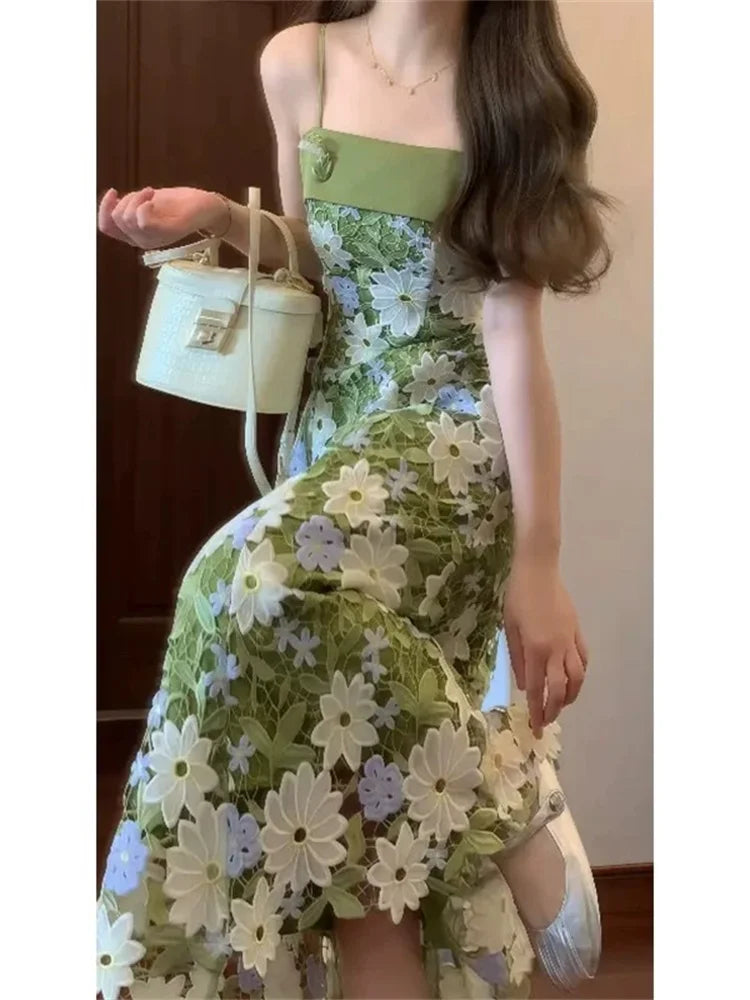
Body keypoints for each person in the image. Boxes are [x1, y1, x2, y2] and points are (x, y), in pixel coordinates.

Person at [96, 2, 612, 997]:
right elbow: (318, 258)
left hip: (451, 448)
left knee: (238, 578)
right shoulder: (298, 63)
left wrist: (538, 559)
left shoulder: (516, 93)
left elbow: (513, 333)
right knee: (359, 854)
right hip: (332, 439)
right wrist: (221, 218)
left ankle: (503, 800)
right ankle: (495, 786)